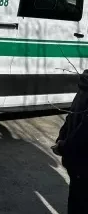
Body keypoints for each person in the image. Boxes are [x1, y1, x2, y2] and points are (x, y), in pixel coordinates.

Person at [53, 69, 88, 214]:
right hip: (78, 164)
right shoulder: (84, 83)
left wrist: (63, 146)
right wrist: (62, 138)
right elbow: (72, 115)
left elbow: (84, 133)